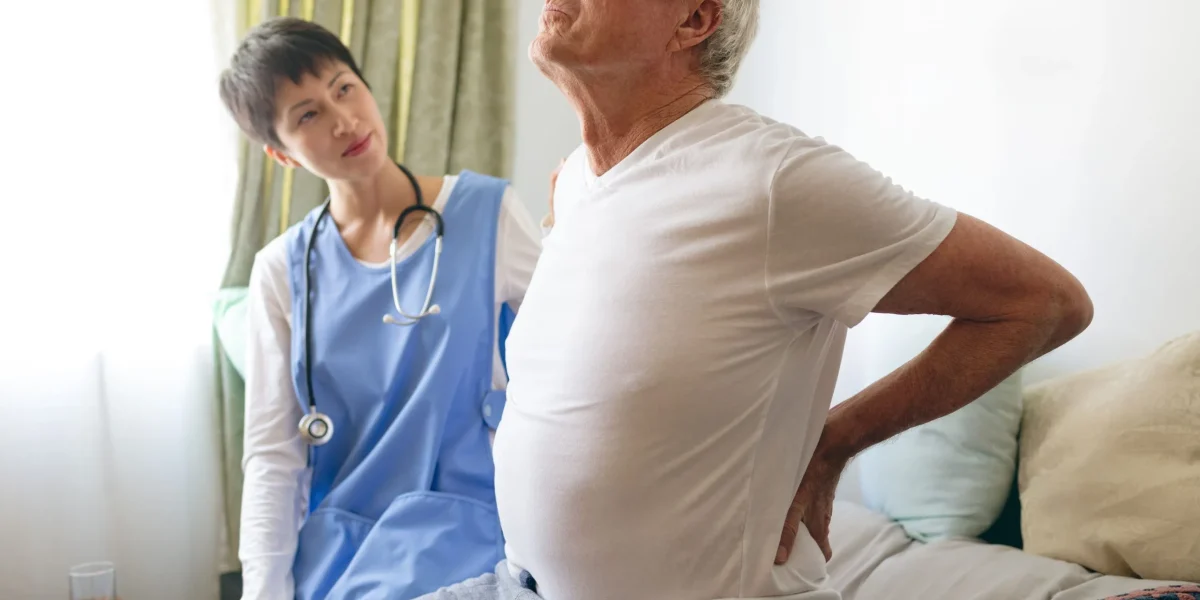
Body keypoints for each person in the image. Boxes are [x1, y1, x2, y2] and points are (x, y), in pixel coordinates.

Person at [422, 1, 1094, 599]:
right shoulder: (574, 180)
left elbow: (1045, 302)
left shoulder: (771, 179)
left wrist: (838, 437)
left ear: (693, 20)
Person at [217, 17, 543, 600]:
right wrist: (263, 592)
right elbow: (273, 458)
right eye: (308, 115)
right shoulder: (280, 272)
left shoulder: (488, 214)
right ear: (282, 154)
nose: (344, 120)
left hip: (470, 535)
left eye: (344, 88)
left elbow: (578, 362)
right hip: (340, 554)